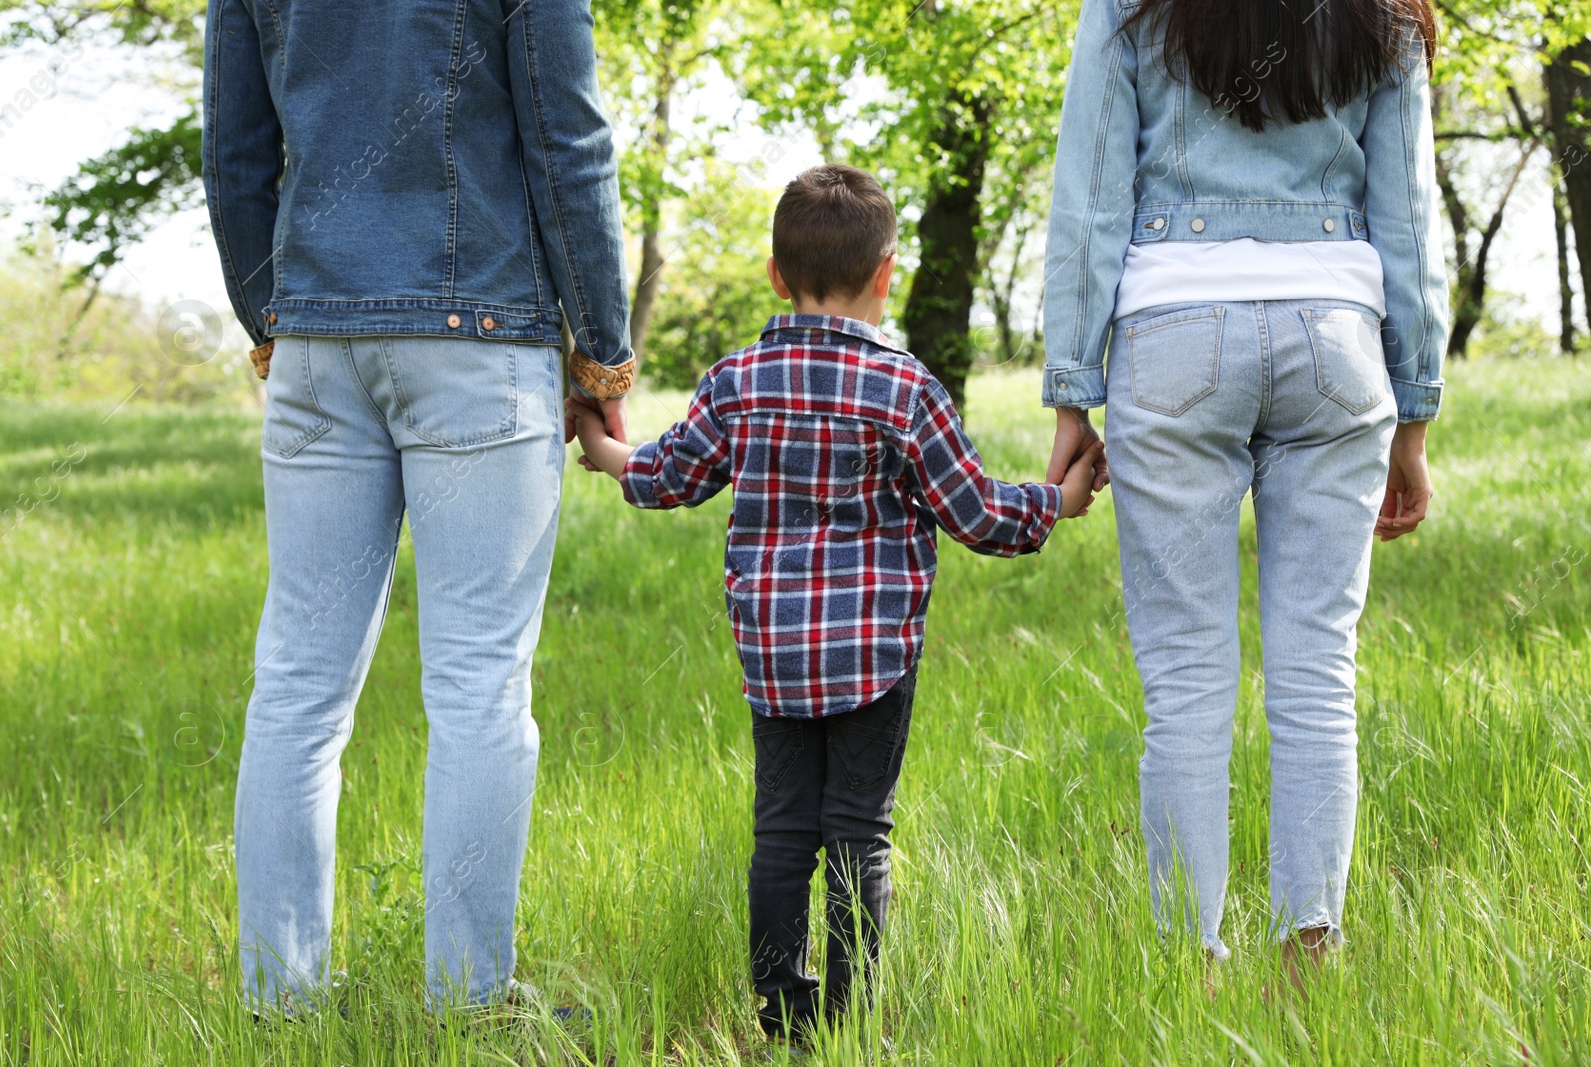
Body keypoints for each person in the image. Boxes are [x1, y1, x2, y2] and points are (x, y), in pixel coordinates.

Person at [568, 164, 1105, 1045]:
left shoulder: (739, 381)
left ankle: (781, 1015)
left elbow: (664, 476)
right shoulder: (906, 388)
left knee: (782, 829)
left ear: (777, 275)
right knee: (861, 831)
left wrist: (598, 437)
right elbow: (977, 514)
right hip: (874, 657)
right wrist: (1057, 499)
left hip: (774, 655)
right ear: (887, 273)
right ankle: (851, 1023)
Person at [202, 0, 633, 1011]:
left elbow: (232, 161)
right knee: (480, 683)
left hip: (317, 334)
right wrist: (601, 351)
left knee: (296, 688)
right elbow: (568, 140)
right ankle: (470, 999)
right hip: (479, 333)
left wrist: (273, 321)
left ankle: (280, 1000)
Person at [1040, 0, 1446, 979]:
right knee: (1316, 670)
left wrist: (1070, 392)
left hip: (1173, 331)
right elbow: (1408, 214)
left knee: (1184, 682)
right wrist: (1415, 413)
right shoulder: (1386, 15)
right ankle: (1311, 945)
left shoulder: (1129, 9)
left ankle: (1194, 961)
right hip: (1337, 340)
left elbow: (1090, 190)